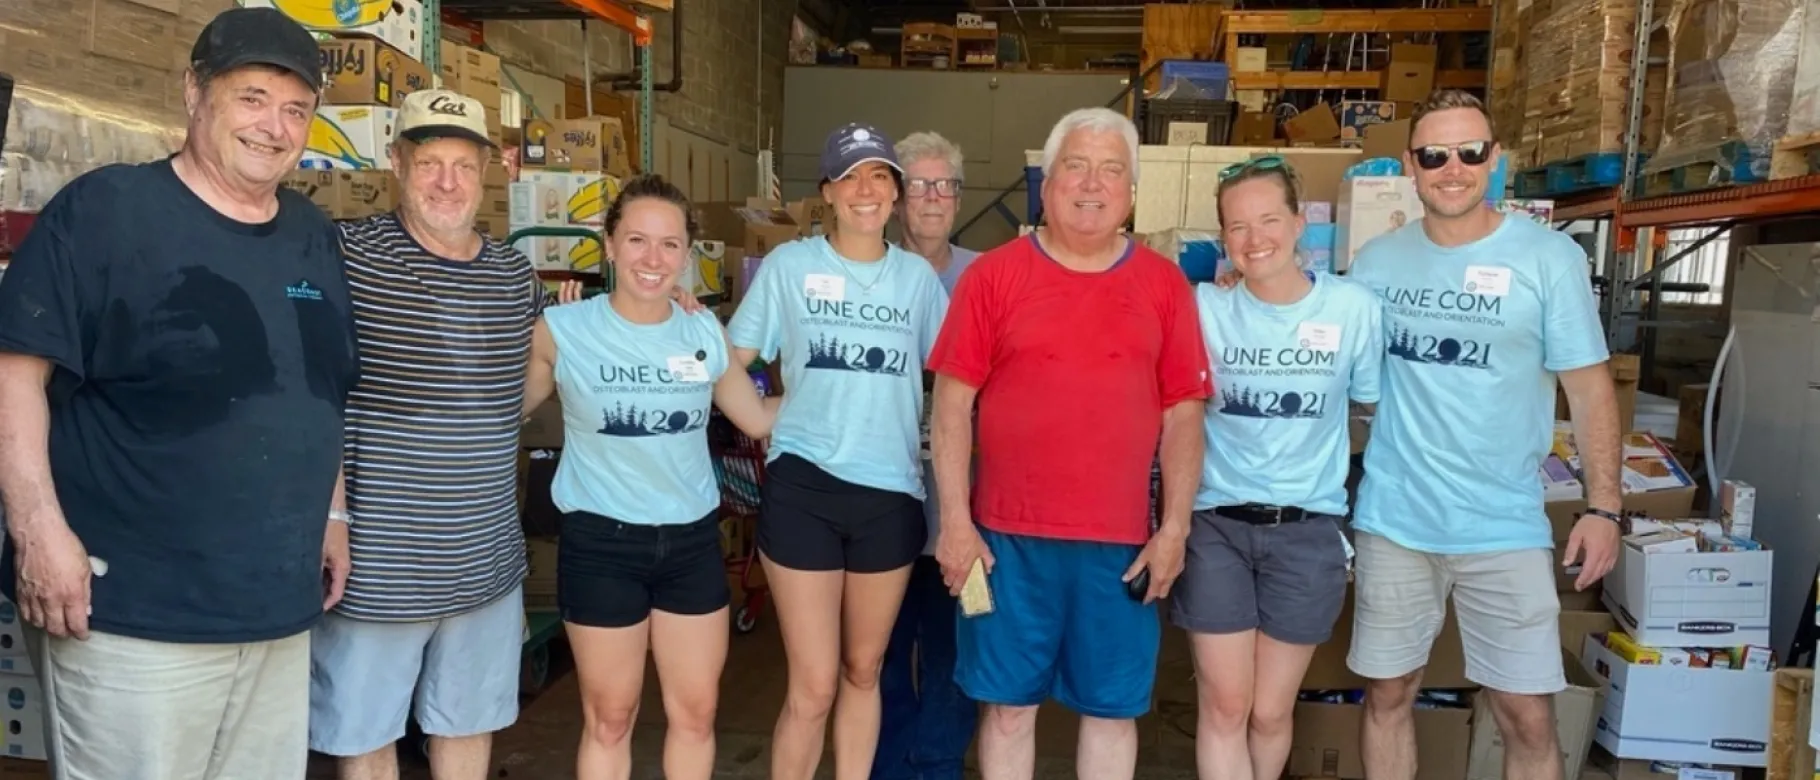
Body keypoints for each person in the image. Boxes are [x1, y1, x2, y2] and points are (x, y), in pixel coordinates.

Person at [0, 8, 359, 779]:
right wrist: (37, 531)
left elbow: (320, 391)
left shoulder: (311, 234)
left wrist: (331, 512)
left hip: (275, 611)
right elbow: (14, 375)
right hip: (133, 614)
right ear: (194, 92)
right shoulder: (105, 213)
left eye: (297, 109)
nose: (275, 126)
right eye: (253, 97)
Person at [927, 107, 1212, 780]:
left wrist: (1174, 530)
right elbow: (950, 408)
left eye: (1112, 169)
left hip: (1121, 548)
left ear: (1132, 192)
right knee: (1005, 709)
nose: (1092, 184)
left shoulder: (1164, 286)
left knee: (1112, 713)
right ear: (1046, 184)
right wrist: (956, 528)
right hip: (1000, 548)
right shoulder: (992, 277)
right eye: (1075, 167)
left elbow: (1183, 418)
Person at [1344, 89, 1622, 780]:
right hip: (1396, 519)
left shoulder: (1548, 258)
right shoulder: (1377, 262)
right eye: (1436, 154)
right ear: (1411, 163)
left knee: (1526, 711)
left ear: (1494, 158)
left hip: (1503, 524)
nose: (1453, 167)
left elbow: (1589, 388)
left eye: (1470, 152)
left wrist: (1605, 506)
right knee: (1386, 694)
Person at [305, 89, 549, 780]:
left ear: (486, 172)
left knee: (468, 727)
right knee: (365, 735)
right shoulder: (344, 255)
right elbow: (309, 390)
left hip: (486, 562)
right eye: (429, 162)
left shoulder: (512, 274)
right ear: (396, 164)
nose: (448, 181)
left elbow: (544, 365)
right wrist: (331, 514)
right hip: (376, 564)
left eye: (463, 165)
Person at [523, 174, 779, 780]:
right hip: (602, 545)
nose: (652, 259)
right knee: (610, 717)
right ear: (609, 245)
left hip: (690, 543)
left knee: (695, 713)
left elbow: (755, 416)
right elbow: (505, 410)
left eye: (669, 245)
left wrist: (839, 392)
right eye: (637, 240)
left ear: (687, 256)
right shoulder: (563, 331)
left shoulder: (702, 332)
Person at [727, 122, 950, 780]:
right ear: (827, 190)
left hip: (890, 497)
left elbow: (961, 370)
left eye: (879, 176)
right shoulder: (792, 267)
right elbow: (728, 360)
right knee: (814, 684)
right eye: (851, 176)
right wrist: (762, 416)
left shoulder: (915, 281)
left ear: (896, 194)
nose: (866, 190)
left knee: (863, 670)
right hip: (805, 493)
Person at [1173, 156, 1381, 780]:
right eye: (1236, 227)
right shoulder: (1203, 308)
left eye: (1268, 220)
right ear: (1223, 238)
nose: (1254, 239)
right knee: (1226, 705)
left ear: (1298, 224)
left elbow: (1365, 410)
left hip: (1307, 531)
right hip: (1217, 526)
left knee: (1268, 712)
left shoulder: (1351, 309)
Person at [873, 130, 980, 780]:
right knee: (877, 650)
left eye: (946, 185)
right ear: (896, 196)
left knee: (962, 644)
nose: (934, 198)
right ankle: (889, 764)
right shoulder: (867, 269)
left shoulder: (989, 276)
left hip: (969, 512)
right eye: (919, 184)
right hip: (880, 504)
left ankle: (938, 763)